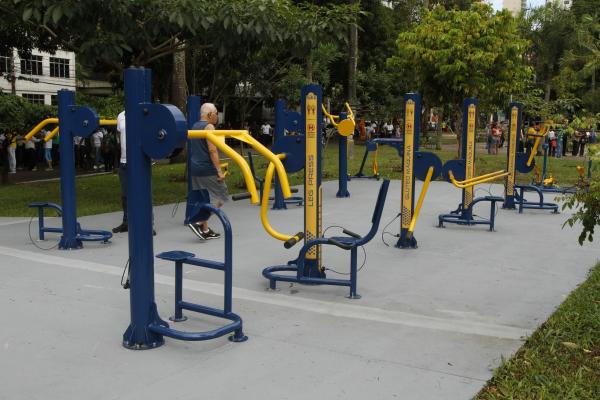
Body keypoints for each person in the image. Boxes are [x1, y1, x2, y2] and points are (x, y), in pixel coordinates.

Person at [188, 103, 227, 240]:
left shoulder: (194, 126)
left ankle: (205, 229)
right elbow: (212, 150)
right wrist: (219, 171)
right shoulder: (209, 126)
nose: (217, 116)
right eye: (216, 113)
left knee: (204, 199)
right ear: (210, 114)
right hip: (207, 167)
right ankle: (198, 222)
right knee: (222, 195)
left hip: (195, 167)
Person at [112, 111, 129, 233]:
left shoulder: (144, 112)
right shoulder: (121, 115)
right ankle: (126, 222)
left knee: (144, 194)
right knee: (125, 195)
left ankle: (149, 224)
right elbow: (119, 134)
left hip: (139, 161)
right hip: (124, 161)